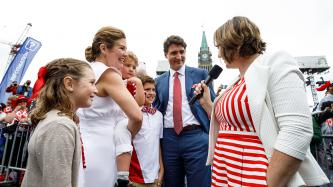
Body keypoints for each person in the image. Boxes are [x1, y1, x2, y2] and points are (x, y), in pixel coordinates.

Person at [194, 16, 329, 187]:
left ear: (234, 42)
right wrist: (207, 104)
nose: (219, 54)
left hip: (253, 177)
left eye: (220, 47)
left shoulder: (276, 62)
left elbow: (297, 131)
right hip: (226, 174)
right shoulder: (237, 80)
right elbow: (232, 124)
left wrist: (270, 182)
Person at [77, 26, 142, 187]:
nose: (125, 53)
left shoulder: (85, 70)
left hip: (82, 147)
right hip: (102, 150)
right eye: (122, 48)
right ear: (104, 48)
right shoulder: (109, 74)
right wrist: (126, 136)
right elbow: (137, 116)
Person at [21, 58, 97, 187]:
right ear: (69, 84)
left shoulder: (57, 120)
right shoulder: (60, 126)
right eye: (92, 83)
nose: (96, 90)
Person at [153, 35, 215, 187]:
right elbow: (156, 110)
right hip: (169, 140)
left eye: (182, 52)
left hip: (196, 137)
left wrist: (207, 135)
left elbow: (212, 105)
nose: (179, 56)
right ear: (166, 55)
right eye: (174, 53)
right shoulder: (159, 81)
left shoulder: (201, 74)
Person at [115, 50, 145, 186]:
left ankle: (123, 175)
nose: (131, 69)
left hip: (126, 120)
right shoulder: (113, 81)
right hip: (112, 121)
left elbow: (140, 102)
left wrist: (138, 83)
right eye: (128, 66)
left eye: (134, 67)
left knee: (122, 131)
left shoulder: (132, 84)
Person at [128, 75, 164, 187]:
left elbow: (157, 144)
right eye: (147, 90)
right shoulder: (131, 114)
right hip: (135, 176)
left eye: (153, 90)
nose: (151, 93)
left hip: (155, 177)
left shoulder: (158, 115)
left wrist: (161, 170)